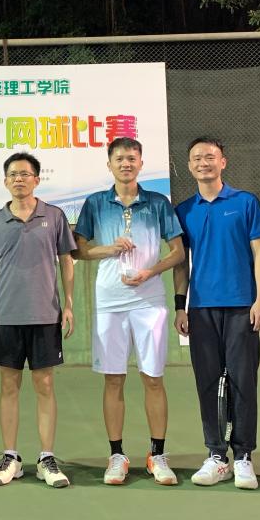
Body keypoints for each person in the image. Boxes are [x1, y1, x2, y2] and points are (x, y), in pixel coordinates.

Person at [74, 137, 186, 486]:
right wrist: (109, 249)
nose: (126, 163)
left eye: (132, 158)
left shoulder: (158, 203)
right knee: (113, 378)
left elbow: (178, 252)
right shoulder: (95, 203)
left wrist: (150, 272)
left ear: (141, 163)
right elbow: (79, 250)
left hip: (149, 303)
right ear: (109, 164)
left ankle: (157, 454)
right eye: (120, 158)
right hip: (109, 302)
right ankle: (117, 456)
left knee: (153, 378)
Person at [173, 137, 260, 490]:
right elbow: (180, 262)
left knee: (243, 381)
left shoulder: (245, 202)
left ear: (223, 162)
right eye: (197, 158)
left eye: (210, 157)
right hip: (201, 310)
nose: (204, 162)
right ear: (189, 166)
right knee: (208, 382)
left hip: (243, 306)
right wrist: (180, 305)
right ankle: (216, 455)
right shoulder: (185, 210)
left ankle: (243, 456)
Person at [0, 153, 76, 489]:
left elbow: (67, 260)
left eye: (25, 174)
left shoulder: (55, 216)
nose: (18, 179)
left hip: (45, 316)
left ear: (37, 179)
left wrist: (68, 304)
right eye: (13, 174)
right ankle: (11, 457)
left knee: (45, 385)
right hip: (6, 317)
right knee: (9, 386)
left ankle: (46, 458)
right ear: (5, 180)